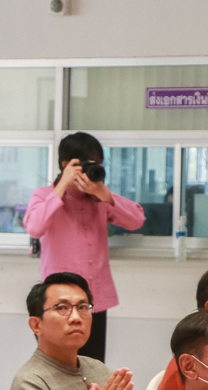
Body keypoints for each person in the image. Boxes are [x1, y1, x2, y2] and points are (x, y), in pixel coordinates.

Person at [22, 133, 145, 361]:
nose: (92, 170)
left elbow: (136, 220)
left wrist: (105, 195)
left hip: (93, 300)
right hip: (57, 302)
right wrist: (62, 186)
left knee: (93, 364)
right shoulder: (44, 195)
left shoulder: (99, 198)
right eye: (87, 164)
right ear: (66, 164)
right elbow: (35, 228)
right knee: (57, 363)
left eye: (97, 165)